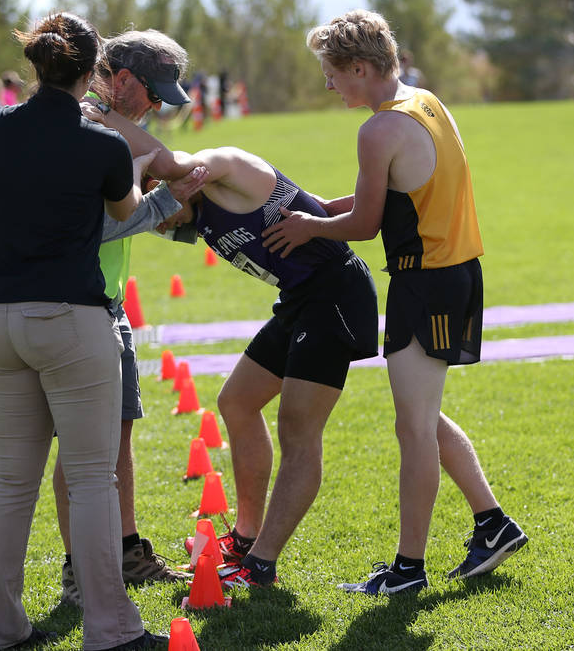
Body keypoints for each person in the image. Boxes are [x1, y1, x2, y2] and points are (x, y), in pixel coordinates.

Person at [262, 9, 527, 595]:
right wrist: (317, 208)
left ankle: (409, 570)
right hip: (453, 274)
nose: (329, 84)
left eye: (333, 72)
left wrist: (309, 229)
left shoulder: (377, 129)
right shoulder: (425, 101)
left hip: (425, 281)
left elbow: (366, 222)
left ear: (359, 66)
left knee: (413, 428)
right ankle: (493, 523)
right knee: (422, 416)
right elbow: (391, 193)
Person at [84, 104, 379, 590]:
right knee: (236, 402)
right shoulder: (199, 218)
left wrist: (104, 117)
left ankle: (259, 564)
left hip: (336, 296)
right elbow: (318, 206)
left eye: (157, 206)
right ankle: (245, 537)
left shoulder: (223, 165)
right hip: (302, 300)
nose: (158, 222)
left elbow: (166, 161)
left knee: (298, 433)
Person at [0, 12, 167, 650]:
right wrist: (157, 182)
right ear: (92, 74)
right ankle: (109, 629)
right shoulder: (102, 144)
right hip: (71, 319)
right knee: (90, 478)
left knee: (11, 481)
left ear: (35, 64)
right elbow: (127, 209)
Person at [52, 29, 199, 605]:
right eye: (152, 94)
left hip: (109, 304)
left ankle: (128, 550)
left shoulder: (116, 127)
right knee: (80, 449)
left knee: (116, 437)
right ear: (120, 80)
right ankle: (76, 569)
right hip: (77, 306)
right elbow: (112, 213)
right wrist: (162, 191)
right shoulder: (88, 125)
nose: (157, 107)